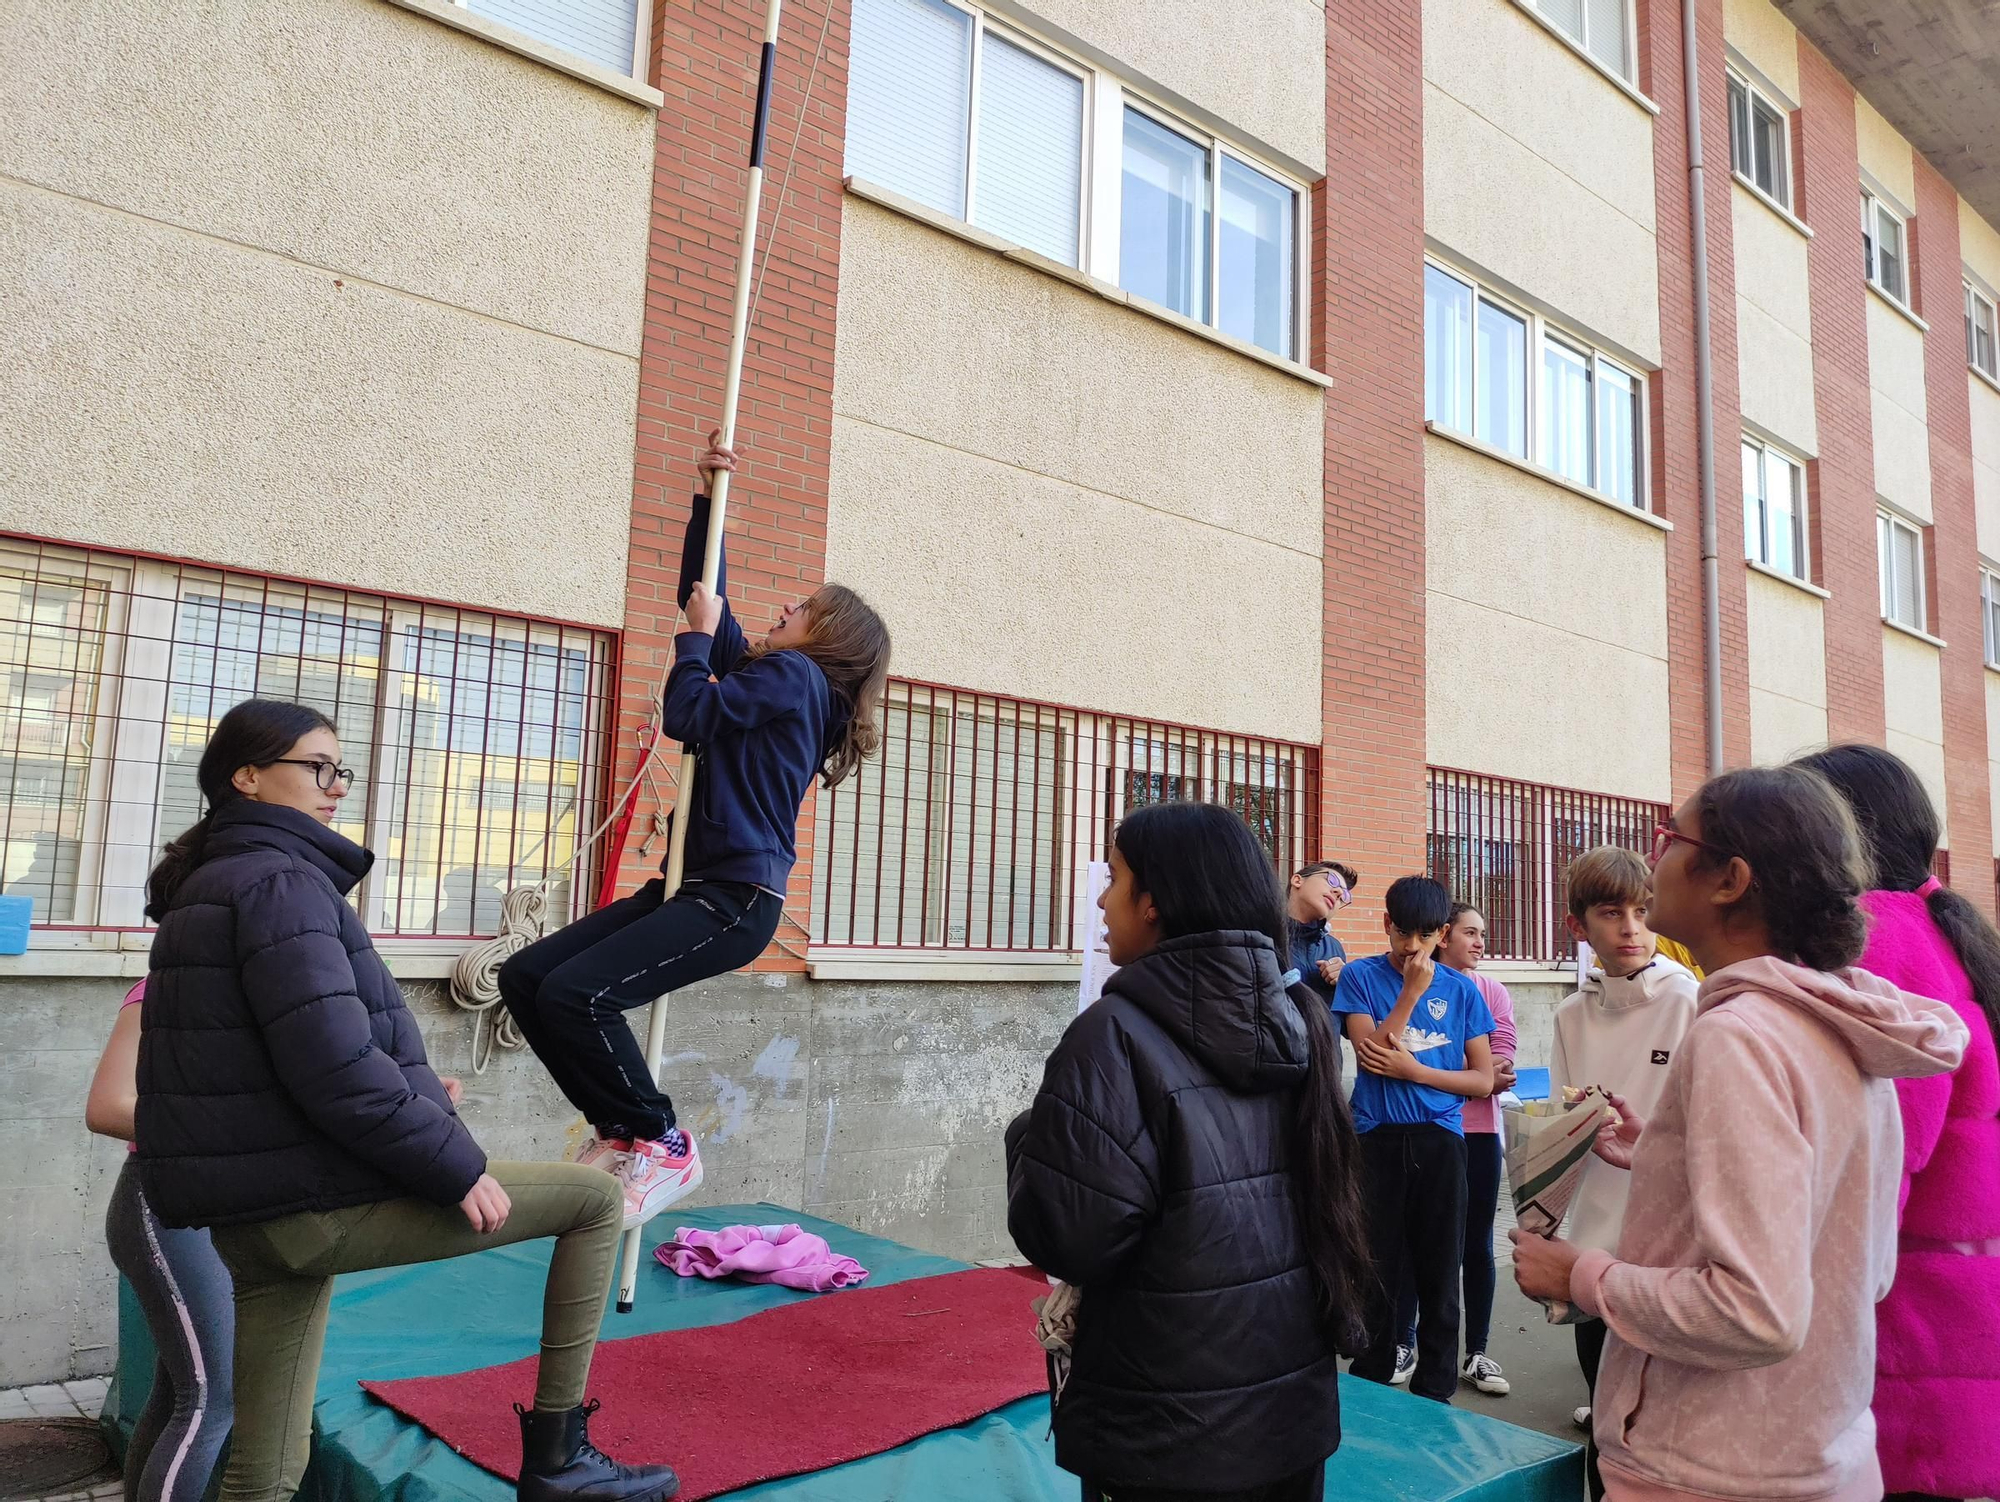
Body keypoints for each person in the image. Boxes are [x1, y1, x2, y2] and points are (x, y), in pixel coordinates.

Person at [136, 699, 681, 1502]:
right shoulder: (282, 884)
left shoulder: (216, 884)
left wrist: (419, 1093)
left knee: (267, 1466)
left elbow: (279, 1060)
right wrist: (455, 1166)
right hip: (307, 1207)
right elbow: (333, 1067)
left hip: (250, 1221)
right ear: (247, 778)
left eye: (339, 770)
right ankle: (560, 1458)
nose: (336, 787)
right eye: (316, 768)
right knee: (598, 1198)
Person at [1511, 765, 1967, 1502]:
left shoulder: (1738, 1035)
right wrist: (1668, 1154)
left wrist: (1580, 1277)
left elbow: (1756, 1312)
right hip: (1812, 1449)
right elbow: (1861, 1262)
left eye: (1669, 838)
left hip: (1710, 1467)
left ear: (1729, 880)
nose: (1653, 857)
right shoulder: (1841, 1021)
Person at [501, 431, 891, 1228]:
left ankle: (661, 1139)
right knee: (528, 978)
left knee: (578, 995)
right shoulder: (776, 676)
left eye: (803, 607)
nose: (785, 607)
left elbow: (688, 713)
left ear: (827, 636)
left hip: (732, 900)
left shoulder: (794, 677)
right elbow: (701, 593)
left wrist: (690, 642)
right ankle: (624, 1130)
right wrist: (709, 500)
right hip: (695, 887)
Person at [1006, 802, 1369, 1502]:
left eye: (1113, 879)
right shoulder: (1303, 1023)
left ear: (1153, 902)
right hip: (1290, 1423)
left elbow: (1070, 1239)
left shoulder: (1111, 1035)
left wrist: (1030, 1138)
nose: (1102, 901)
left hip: (1161, 1434)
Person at [1795, 745, 2000, 1502]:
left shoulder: (1880, 939)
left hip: (1911, 1340)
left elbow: (1875, 1169)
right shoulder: (1938, 929)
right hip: (1949, 1317)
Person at [1548, 846, 1699, 1483]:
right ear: (1578, 924)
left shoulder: (1690, 1000)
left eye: (1642, 911)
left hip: (1668, 1251)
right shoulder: (1568, 1014)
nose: (1632, 928)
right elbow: (1560, 1134)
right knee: (1606, 1422)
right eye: (1613, 913)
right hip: (1593, 1248)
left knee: (1665, 1436)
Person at [1333, 875, 1496, 1404]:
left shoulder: (1464, 990)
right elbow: (1370, 1058)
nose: (1411, 947)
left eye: (1425, 936)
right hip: (1376, 1137)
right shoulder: (1358, 977)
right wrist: (1410, 994)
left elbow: (1482, 1079)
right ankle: (1372, 1378)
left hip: (1441, 1141)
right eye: (1402, 933)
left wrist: (1418, 1072)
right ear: (1386, 925)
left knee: (1439, 1266)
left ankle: (1436, 1388)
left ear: (1442, 934)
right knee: (1376, 1264)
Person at [88, 977, 234, 1502]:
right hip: (162, 1208)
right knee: (208, 1400)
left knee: (180, 1391)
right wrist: (233, 1129)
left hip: (209, 1213)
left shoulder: (263, 989)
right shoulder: (161, 990)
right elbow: (106, 1107)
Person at [1285, 859, 1358, 1079]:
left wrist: (1346, 985)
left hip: (1324, 1077)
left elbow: (1347, 1026)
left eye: (1343, 896)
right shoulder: (1264, 934)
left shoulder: (1334, 948)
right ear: (1297, 880)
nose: (1336, 892)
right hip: (1275, 1071)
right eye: (1331, 880)